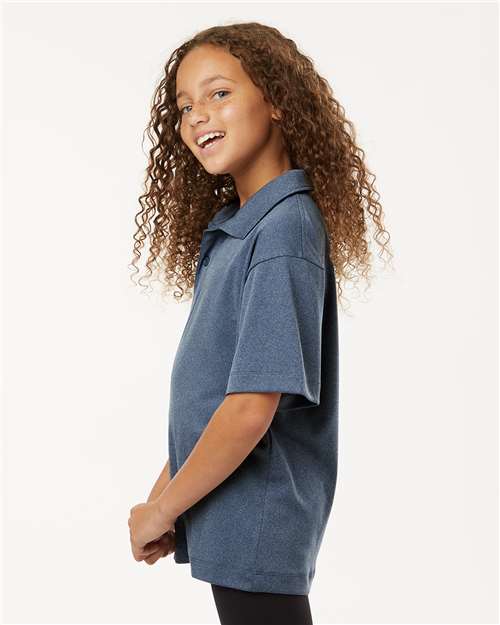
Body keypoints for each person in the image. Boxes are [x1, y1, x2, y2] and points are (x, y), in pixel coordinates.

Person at [128, 21, 392, 625]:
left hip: (258, 519)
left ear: (276, 100)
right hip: (233, 515)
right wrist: (165, 497)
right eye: (185, 106)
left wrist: (163, 509)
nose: (197, 116)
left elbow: (250, 407)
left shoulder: (283, 232)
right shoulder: (240, 230)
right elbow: (214, 399)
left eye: (219, 93)